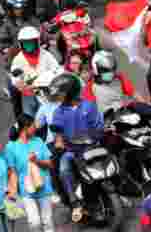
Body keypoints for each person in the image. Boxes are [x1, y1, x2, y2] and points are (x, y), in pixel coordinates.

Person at [48, 73, 104, 221]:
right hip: (72, 151)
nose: (59, 97)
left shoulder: (89, 106)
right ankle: (75, 203)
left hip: (93, 148)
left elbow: (98, 125)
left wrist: (97, 135)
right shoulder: (58, 112)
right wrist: (59, 142)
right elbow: (57, 133)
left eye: (62, 93)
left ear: (70, 92)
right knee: (63, 169)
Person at [5, 114, 55, 232]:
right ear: (25, 128)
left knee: (47, 222)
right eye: (33, 126)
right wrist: (12, 193)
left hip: (44, 187)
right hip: (26, 191)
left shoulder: (38, 141)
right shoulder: (11, 147)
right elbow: (12, 172)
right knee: (34, 223)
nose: (36, 128)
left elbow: (50, 164)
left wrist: (36, 161)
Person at [8, 26, 61, 119]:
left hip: (46, 92)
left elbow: (57, 69)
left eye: (31, 42)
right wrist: (19, 83)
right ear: (21, 44)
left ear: (37, 42)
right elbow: (14, 77)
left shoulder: (46, 55)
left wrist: (51, 77)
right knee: (28, 118)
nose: (29, 45)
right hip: (28, 94)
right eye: (26, 43)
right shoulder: (18, 59)